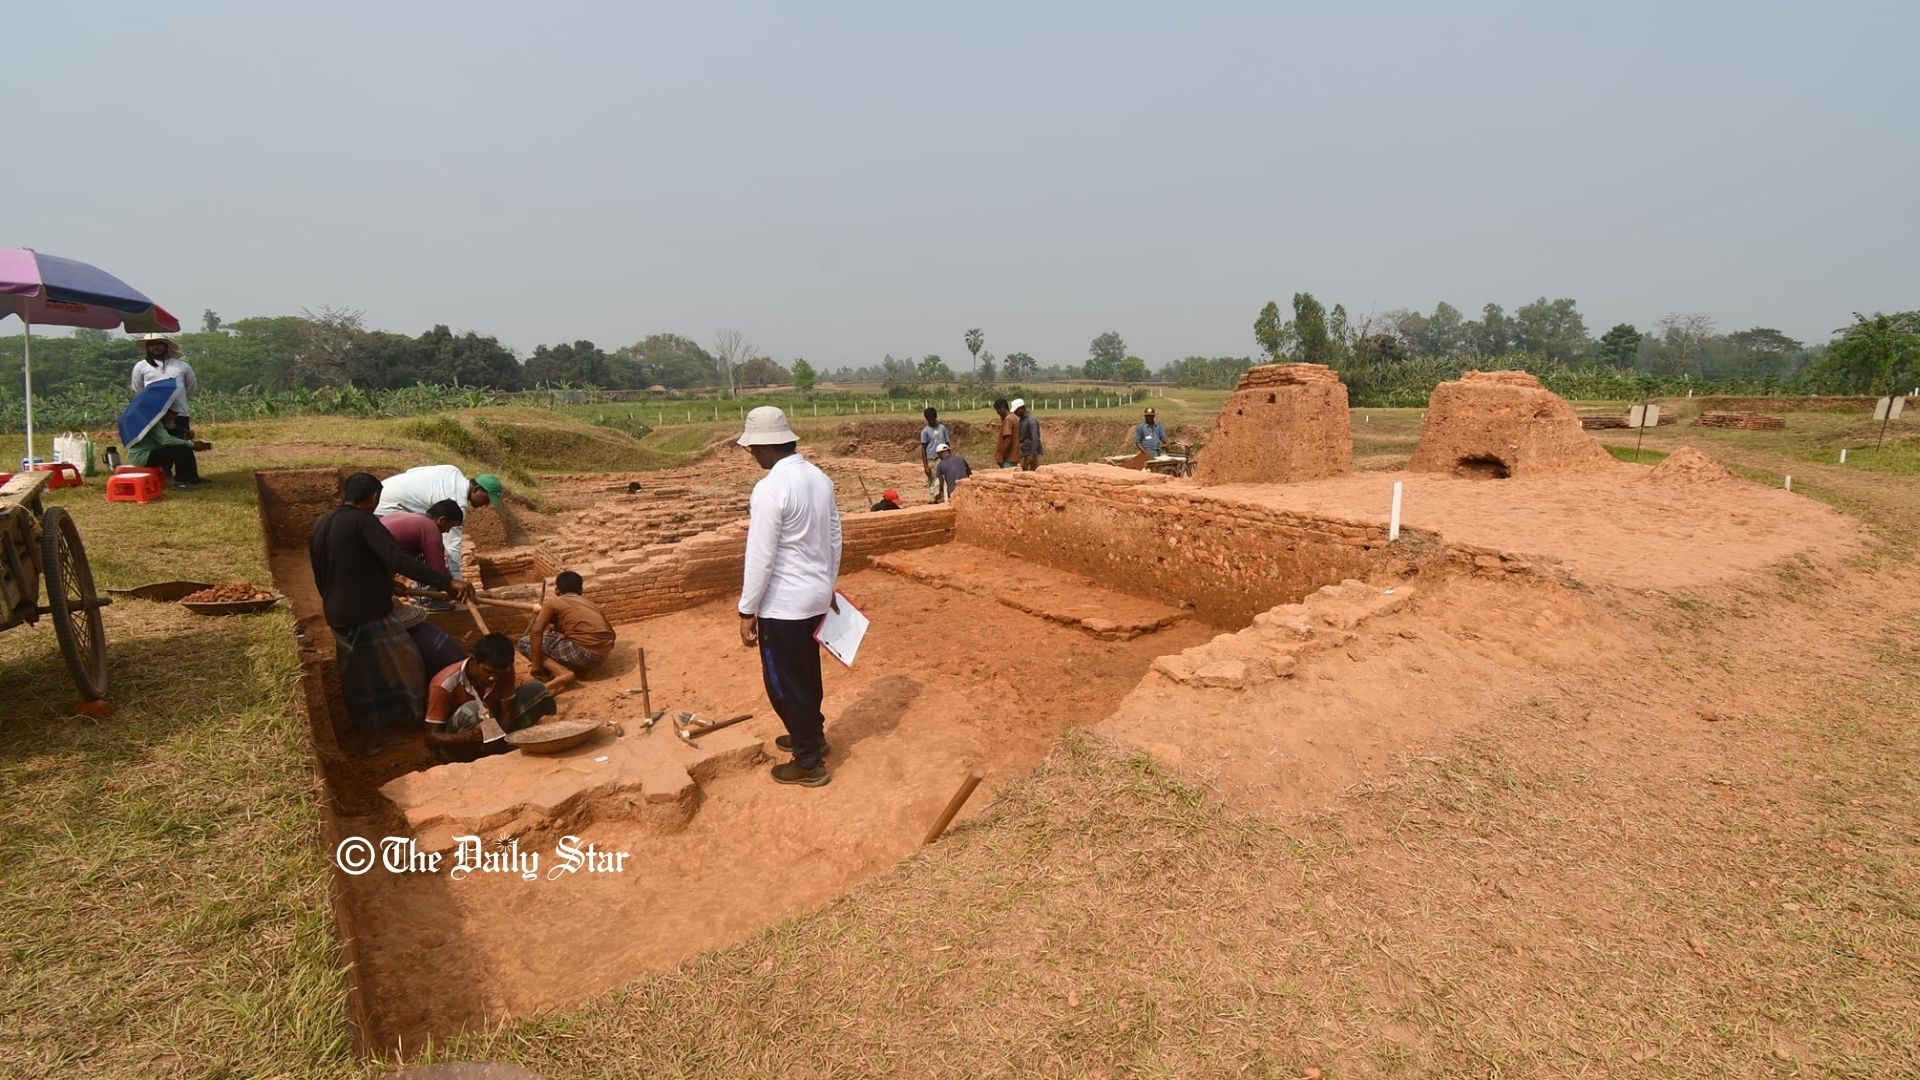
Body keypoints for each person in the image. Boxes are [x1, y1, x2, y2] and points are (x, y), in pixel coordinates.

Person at [309, 472, 470, 754]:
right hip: (367, 612)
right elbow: (397, 558)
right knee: (400, 663)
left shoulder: (321, 524)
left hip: (338, 611)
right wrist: (447, 582)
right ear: (373, 497)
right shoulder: (364, 521)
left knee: (358, 672)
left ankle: (376, 730)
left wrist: (381, 584)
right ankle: (394, 727)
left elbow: (329, 571)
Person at [737, 406, 841, 787]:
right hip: (814, 597)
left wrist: (747, 609)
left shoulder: (770, 489)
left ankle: (808, 761)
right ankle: (811, 733)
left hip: (783, 605)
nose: (751, 456)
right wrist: (827, 584)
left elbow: (760, 556)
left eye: (752, 449)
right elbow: (835, 538)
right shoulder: (820, 479)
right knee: (807, 674)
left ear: (765, 447)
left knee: (785, 683)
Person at [424, 633, 556, 764]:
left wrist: (498, 738)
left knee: (536, 690)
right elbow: (431, 737)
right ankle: (475, 758)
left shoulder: (503, 671)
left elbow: (508, 711)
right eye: (488, 671)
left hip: (491, 729)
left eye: (500, 673)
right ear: (474, 660)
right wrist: (467, 737)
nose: (494, 678)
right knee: (475, 709)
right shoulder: (443, 684)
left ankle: (496, 748)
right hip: (456, 744)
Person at [374, 465, 503, 580]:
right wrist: (455, 579)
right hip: (387, 506)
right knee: (427, 547)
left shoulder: (452, 471)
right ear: (477, 489)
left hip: (384, 491)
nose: (486, 504)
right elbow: (452, 545)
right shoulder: (456, 502)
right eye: (486, 499)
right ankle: (426, 596)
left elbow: (413, 471)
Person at [519, 570, 617, 677]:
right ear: (580, 590)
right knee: (555, 632)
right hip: (602, 655)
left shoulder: (553, 603)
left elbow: (536, 630)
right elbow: (613, 634)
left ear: (557, 590)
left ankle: (560, 672)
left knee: (525, 642)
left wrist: (536, 665)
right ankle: (576, 668)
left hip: (583, 654)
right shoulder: (591, 604)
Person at [123, 408, 210, 490]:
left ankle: (192, 478)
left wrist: (185, 439)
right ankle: (181, 482)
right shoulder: (153, 423)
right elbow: (166, 440)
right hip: (142, 456)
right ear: (165, 413)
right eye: (173, 414)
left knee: (184, 446)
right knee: (181, 449)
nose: (174, 417)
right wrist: (191, 444)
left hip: (148, 452)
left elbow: (164, 439)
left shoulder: (155, 421)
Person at [129, 334, 197, 439]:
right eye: (152, 345)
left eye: (159, 344)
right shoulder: (141, 366)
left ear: (166, 346)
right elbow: (138, 389)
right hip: (152, 415)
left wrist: (175, 401)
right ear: (147, 348)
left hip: (178, 414)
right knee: (158, 449)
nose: (155, 347)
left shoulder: (182, 366)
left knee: (182, 446)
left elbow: (191, 388)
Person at [917, 407, 950, 502]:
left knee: (942, 478)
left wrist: (950, 456)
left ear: (936, 417)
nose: (931, 421)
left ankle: (943, 496)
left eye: (933, 419)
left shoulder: (942, 428)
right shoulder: (925, 431)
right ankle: (934, 497)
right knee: (933, 479)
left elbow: (947, 443)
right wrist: (926, 466)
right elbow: (923, 449)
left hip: (943, 458)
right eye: (929, 420)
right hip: (931, 458)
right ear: (926, 419)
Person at [1016, 399, 1043, 471]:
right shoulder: (1021, 420)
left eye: (1016, 410)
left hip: (1030, 452)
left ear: (1022, 408)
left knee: (1033, 473)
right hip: (1024, 451)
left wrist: (1032, 454)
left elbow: (1035, 438)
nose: (1015, 413)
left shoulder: (1031, 420)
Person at [993, 398, 1019, 468]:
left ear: (1001, 408)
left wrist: (1001, 456)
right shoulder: (1014, 417)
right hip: (1014, 457)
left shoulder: (1008, 419)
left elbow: (1007, 440)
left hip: (1008, 458)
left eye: (997, 410)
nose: (997, 413)